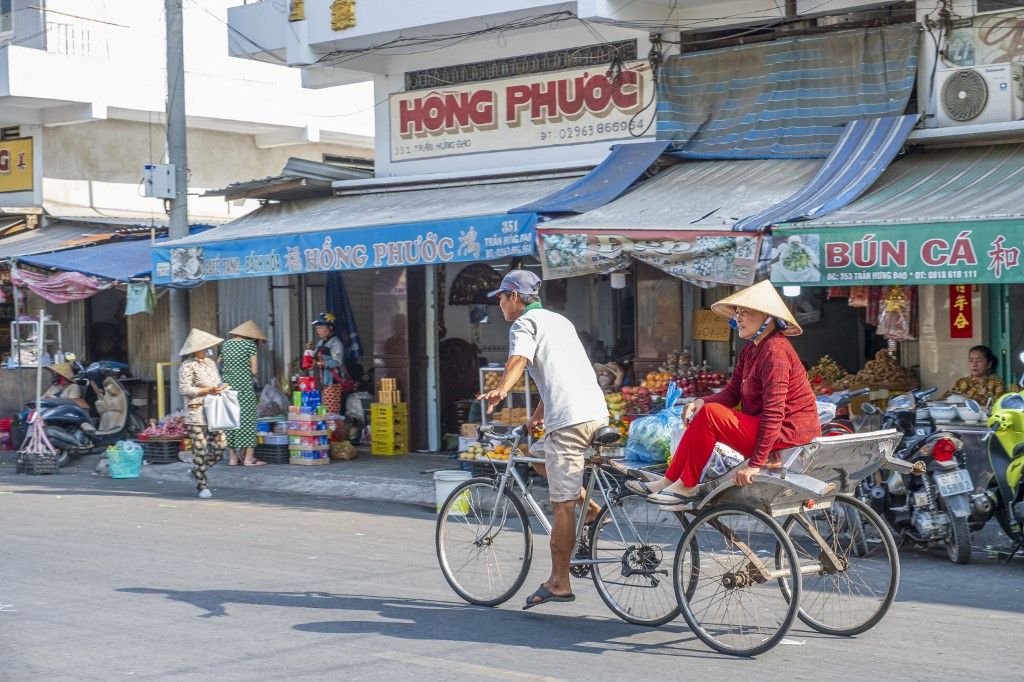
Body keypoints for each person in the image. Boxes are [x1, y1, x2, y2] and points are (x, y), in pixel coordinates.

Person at [477, 270, 608, 610]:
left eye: (502, 298)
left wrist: (500, 390)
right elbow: (561, 375)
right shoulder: (558, 322)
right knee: (537, 458)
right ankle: (592, 510)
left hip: (570, 422)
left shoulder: (522, 325)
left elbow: (519, 359)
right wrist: (537, 416)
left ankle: (559, 582)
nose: (500, 305)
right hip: (594, 412)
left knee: (561, 504)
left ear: (515, 297)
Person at [628, 280, 821, 504]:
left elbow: (774, 412)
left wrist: (754, 464)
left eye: (745, 312)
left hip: (789, 437)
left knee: (711, 414)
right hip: (769, 430)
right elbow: (732, 394)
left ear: (767, 318)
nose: (738, 317)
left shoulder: (775, 351)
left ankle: (687, 485)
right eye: (737, 312)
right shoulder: (751, 348)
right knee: (705, 411)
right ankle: (670, 480)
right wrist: (701, 400)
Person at [178, 328, 230, 499]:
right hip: (196, 412)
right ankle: (202, 485)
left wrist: (220, 388)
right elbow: (185, 389)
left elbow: (217, 382)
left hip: (214, 410)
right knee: (199, 449)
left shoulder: (210, 363)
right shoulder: (187, 366)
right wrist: (207, 390)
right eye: (204, 347)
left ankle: (196, 471)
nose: (207, 350)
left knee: (219, 448)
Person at [222, 320, 267, 467]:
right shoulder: (249, 345)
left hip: (227, 387)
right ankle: (248, 458)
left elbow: (219, 363)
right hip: (243, 387)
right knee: (247, 420)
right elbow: (254, 370)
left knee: (231, 420)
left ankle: (233, 458)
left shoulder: (226, 345)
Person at [941, 344, 1005, 406]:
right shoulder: (960, 383)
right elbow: (944, 401)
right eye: (971, 361)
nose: (974, 365)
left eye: (979, 361)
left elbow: (1000, 406)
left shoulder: (996, 383)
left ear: (989, 364)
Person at [311, 312, 348, 414]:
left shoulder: (336, 343)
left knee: (331, 411)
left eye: (321, 327)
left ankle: (334, 430)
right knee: (321, 410)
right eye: (317, 328)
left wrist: (323, 364)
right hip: (321, 382)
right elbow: (314, 357)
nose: (318, 330)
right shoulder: (321, 342)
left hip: (332, 382)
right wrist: (309, 352)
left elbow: (337, 362)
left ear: (330, 328)